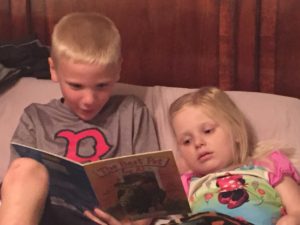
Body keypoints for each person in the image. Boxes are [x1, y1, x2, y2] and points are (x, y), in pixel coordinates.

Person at [0, 12, 159, 225]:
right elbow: (18, 191)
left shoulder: (131, 112)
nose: (88, 100)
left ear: (118, 70)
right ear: (53, 70)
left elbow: (151, 189)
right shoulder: (36, 117)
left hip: (106, 220)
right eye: (76, 86)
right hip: (44, 217)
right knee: (23, 168)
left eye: (102, 85)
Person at [168, 86, 300, 225]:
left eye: (207, 131)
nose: (198, 143)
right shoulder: (187, 182)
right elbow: (149, 209)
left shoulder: (268, 164)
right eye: (186, 141)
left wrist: (291, 220)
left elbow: (297, 210)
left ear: (236, 131)